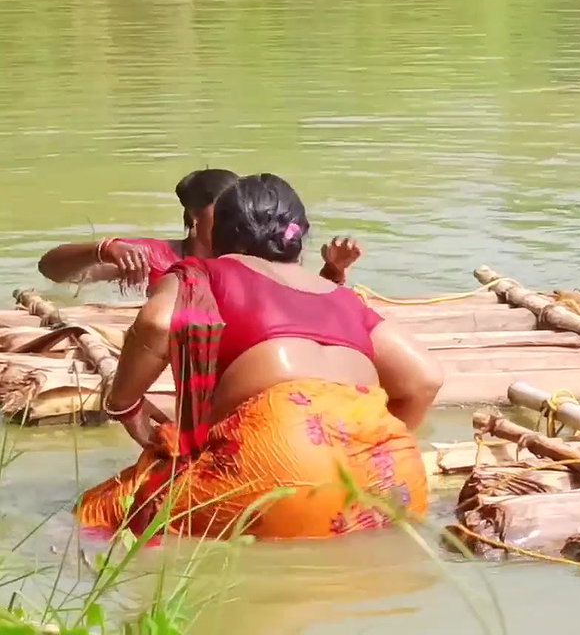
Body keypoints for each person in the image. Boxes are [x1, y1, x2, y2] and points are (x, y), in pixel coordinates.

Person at [75, 173, 443, 541]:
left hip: (280, 459)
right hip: (391, 471)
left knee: (97, 512)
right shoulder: (341, 296)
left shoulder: (200, 273)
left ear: (218, 233)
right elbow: (425, 378)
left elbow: (156, 323)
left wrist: (124, 404)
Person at [37, 168, 364, 295]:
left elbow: (299, 303)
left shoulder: (255, 255)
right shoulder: (150, 258)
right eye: (224, 213)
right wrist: (103, 249)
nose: (238, 221)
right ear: (195, 218)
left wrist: (333, 269)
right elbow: (52, 271)